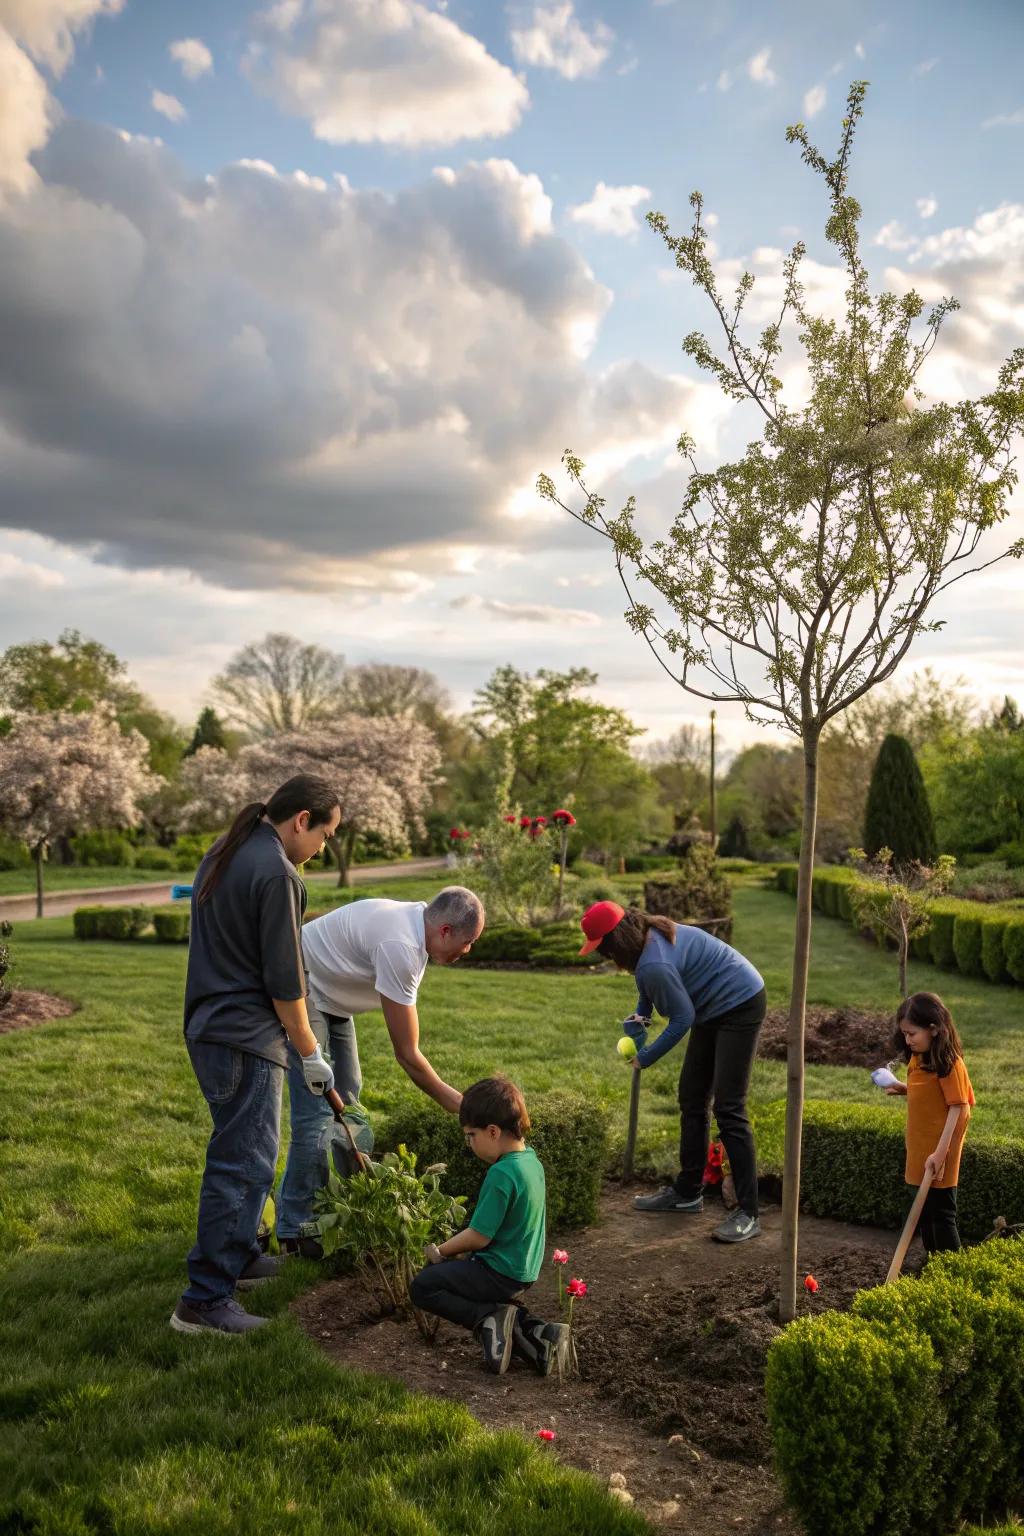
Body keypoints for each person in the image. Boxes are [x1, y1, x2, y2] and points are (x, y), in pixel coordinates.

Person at [171, 776, 341, 1337]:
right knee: (244, 1162)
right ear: (301, 821)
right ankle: (205, 1299)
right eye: (326, 833)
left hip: (209, 1028)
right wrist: (310, 1050)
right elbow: (285, 979)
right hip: (244, 1036)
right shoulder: (276, 872)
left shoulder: (229, 848)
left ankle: (239, 1256)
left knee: (242, 1154)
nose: (324, 846)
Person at [276, 886, 486, 1254]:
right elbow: (407, 1054)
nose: (467, 951)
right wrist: (460, 1105)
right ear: (446, 931)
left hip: (330, 995)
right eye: (468, 942)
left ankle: (356, 1204)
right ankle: (297, 1231)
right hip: (301, 985)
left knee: (348, 1097)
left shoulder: (416, 927)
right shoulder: (401, 946)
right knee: (316, 1113)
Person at [580, 900, 766, 1244]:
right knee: (692, 1097)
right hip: (712, 1004)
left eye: (603, 949)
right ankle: (687, 1192)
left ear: (615, 943)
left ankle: (748, 1212)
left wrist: (645, 1056)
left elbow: (682, 1019)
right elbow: (648, 988)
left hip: (740, 1001)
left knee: (729, 1108)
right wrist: (641, 1017)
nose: (604, 957)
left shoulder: (654, 962)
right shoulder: (648, 936)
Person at [409, 1076, 567, 1376]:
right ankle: (540, 1336)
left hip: (498, 1272)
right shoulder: (531, 1162)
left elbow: (479, 1237)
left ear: (493, 1131)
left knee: (424, 1286)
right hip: (522, 1271)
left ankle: (487, 1319)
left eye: (471, 1135)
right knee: (475, 1291)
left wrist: (440, 1250)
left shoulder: (502, 1173)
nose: (469, 1144)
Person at [885, 991, 974, 1254]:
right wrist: (903, 1088)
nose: (907, 1039)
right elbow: (931, 1095)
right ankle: (933, 1266)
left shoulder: (949, 1063)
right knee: (923, 1215)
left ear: (934, 1029)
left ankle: (953, 1271)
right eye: (904, 1033)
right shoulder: (918, 1057)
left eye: (912, 1033)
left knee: (942, 1214)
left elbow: (958, 1106)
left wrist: (941, 1152)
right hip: (920, 1147)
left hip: (939, 1151)